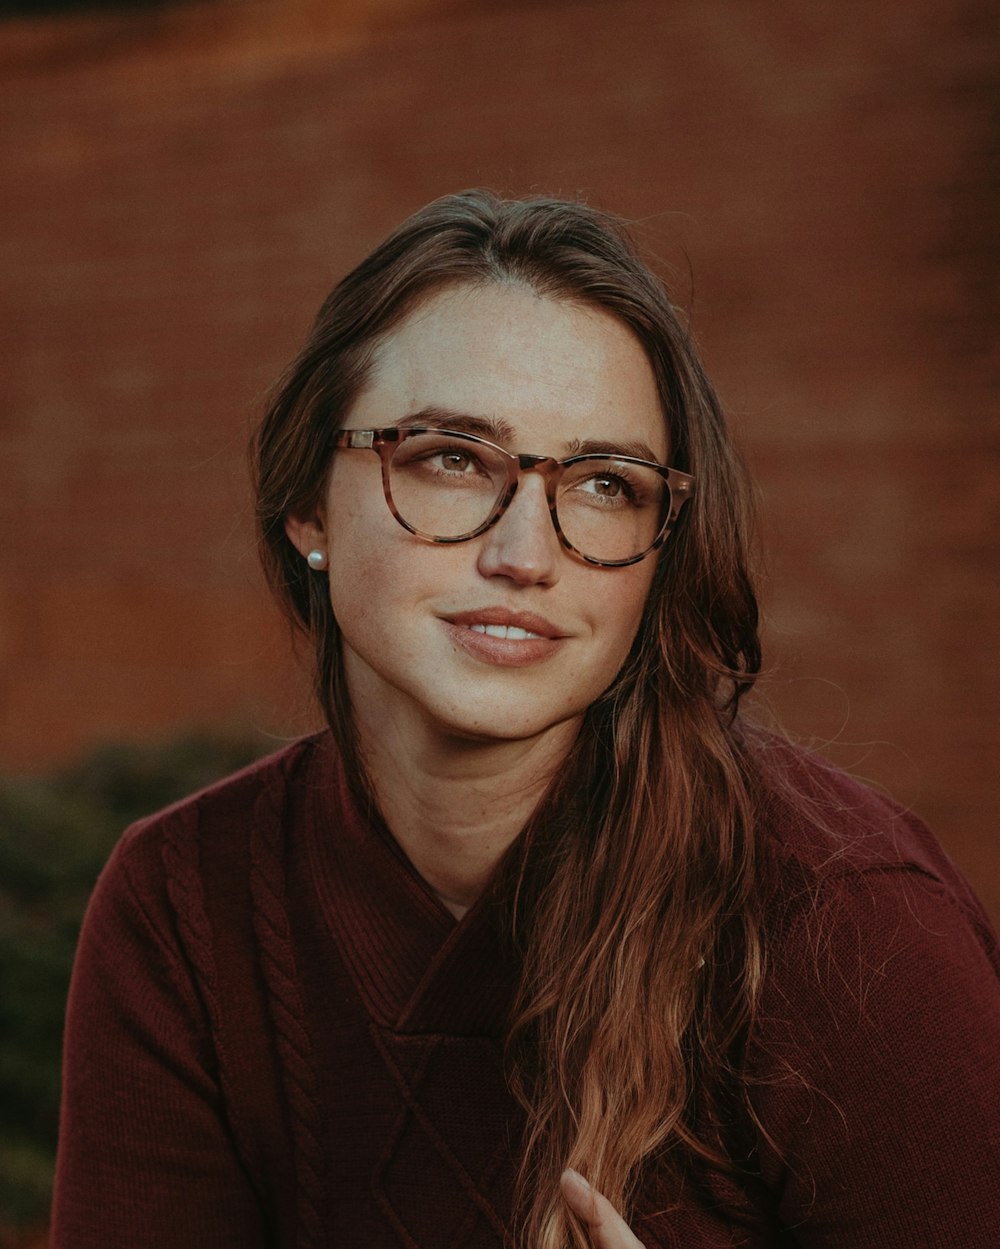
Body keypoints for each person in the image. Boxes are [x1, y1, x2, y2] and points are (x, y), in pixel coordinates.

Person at [52, 190, 1000, 1249]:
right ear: (308, 504)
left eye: (604, 483)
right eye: (452, 457)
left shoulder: (842, 923)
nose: (525, 553)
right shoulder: (187, 903)